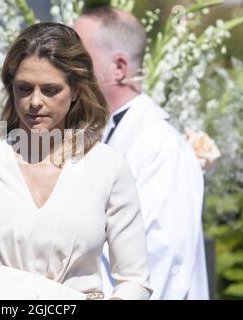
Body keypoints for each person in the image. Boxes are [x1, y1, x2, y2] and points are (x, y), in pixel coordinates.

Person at [0, 22, 152, 300]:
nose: (34, 102)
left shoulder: (107, 167)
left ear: (76, 90)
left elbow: (135, 279)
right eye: (24, 88)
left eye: (50, 90)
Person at [74, 7, 209, 299]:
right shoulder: (94, 133)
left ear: (119, 68)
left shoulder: (161, 146)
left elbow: (162, 258)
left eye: (78, 56)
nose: (63, 66)